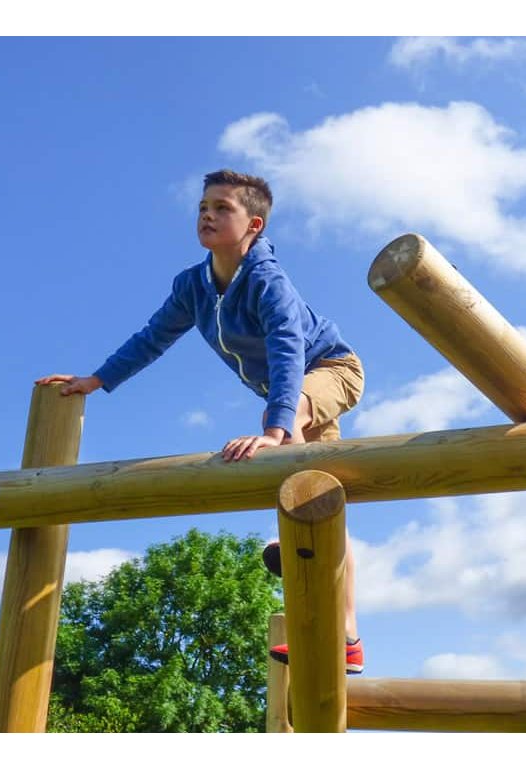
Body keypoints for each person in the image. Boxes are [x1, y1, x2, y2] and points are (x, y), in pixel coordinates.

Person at [36, 169, 365, 674]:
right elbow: (152, 338)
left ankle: (294, 528)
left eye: (222, 208)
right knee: (323, 496)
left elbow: (288, 349)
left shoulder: (267, 281)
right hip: (288, 395)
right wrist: (96, 380)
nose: (207, 215)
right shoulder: (193, 286)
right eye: (203, 207)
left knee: (292, 430)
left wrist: (274, 430)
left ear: (254, 224)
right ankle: (345, 638)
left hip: (330, 370)